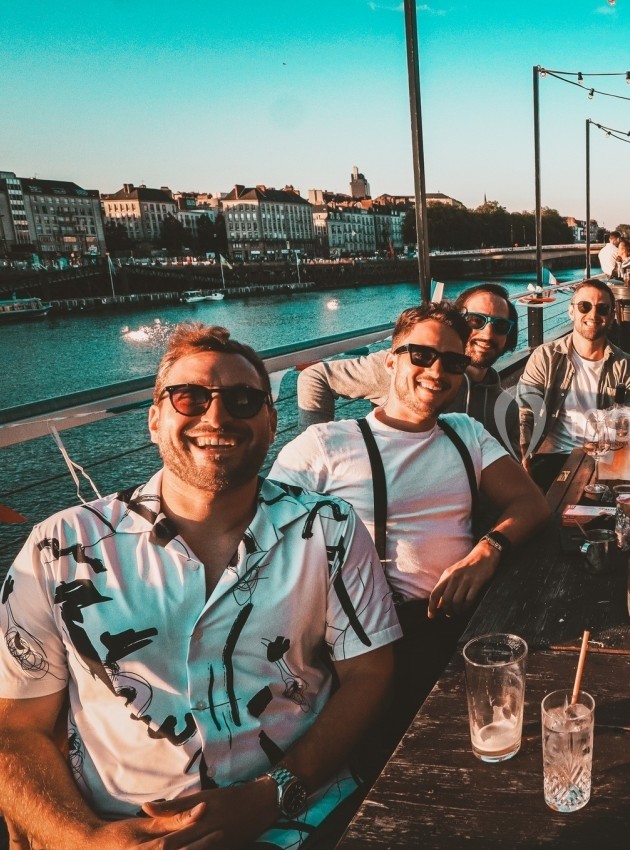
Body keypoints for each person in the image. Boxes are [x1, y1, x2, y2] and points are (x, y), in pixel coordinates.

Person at [0, 323, 400, 848]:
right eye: (190, 397)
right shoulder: (59, 548)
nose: (216, 416)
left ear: (271, 421)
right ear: (155, 419)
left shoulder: (327, 526)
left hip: (304, 815)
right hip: (120, 829)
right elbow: (15, 725)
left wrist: (274, 792)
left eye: (241, 399)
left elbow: (370, 670)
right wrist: (84, 838)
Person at [270, 302, 547, 726]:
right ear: (390, 360)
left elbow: (531, 503)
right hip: (369, 647)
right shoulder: (323, 446)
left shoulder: (465, 432)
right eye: (422, 355)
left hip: (462, 628)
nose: (438, 372)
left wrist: (488, 549)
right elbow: (266, 553)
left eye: (454, 362)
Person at [295, 283, 520, 442]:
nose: (488, 333)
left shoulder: (506, 409)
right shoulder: (406, 366)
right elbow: (316, 376)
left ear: (509, 336)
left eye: (500, 326)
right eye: (475, 320)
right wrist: (320, 443)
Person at [516, 280, 630, 489]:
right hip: (554, 458)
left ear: (612, 316)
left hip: (607, 459)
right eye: (584, 306)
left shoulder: (626, 366)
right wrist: (524, 460)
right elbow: (524, 412)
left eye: (602, 308)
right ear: (571, 312)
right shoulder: (545, 357)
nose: (593, 315)